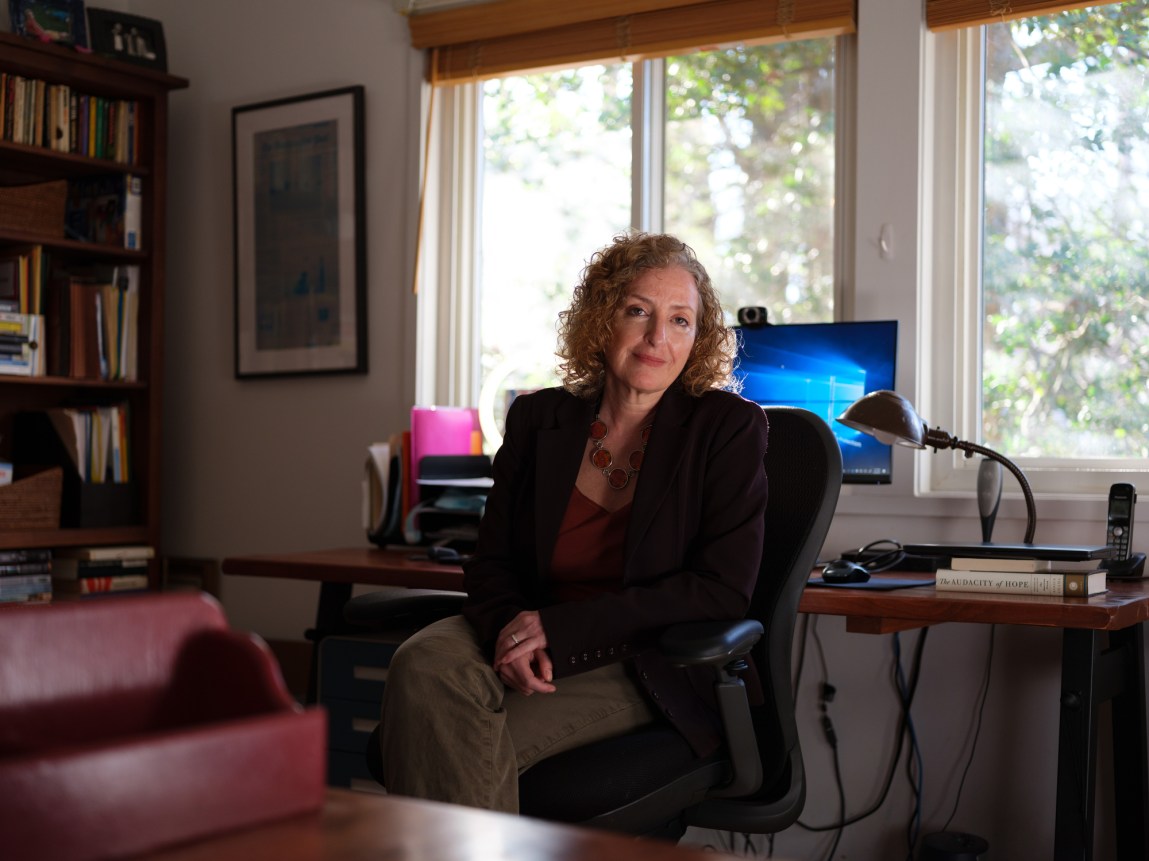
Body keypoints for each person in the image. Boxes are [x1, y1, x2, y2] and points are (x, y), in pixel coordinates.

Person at [379, 231, 770, 813]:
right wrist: (512, 633)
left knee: (453, 745)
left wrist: (558, 632)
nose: (657, 337)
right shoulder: (540, 418)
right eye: (638, 311)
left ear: (699, 337)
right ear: (601, 318)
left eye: (680, 320)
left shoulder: (727, 428)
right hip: (524, 631)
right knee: (419, 661)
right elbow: (493, 562)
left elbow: (719, 590)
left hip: (642, 659)